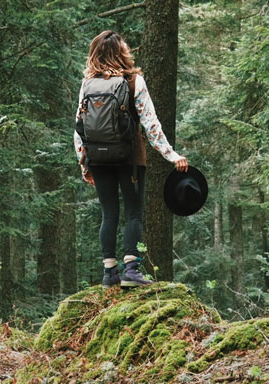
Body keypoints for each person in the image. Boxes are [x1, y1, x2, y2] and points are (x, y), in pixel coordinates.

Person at [74, 30, 188, 288]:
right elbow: (151, 123)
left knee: (108, 212)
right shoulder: (134, 81)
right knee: (134, 213)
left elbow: (78, 127)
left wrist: (84, 163)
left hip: (99, 158)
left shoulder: (88, 84)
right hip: (131, 158)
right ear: (122, 52)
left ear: (95, 54)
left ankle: (109, 272)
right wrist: (172, 155)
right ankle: (132, 270)